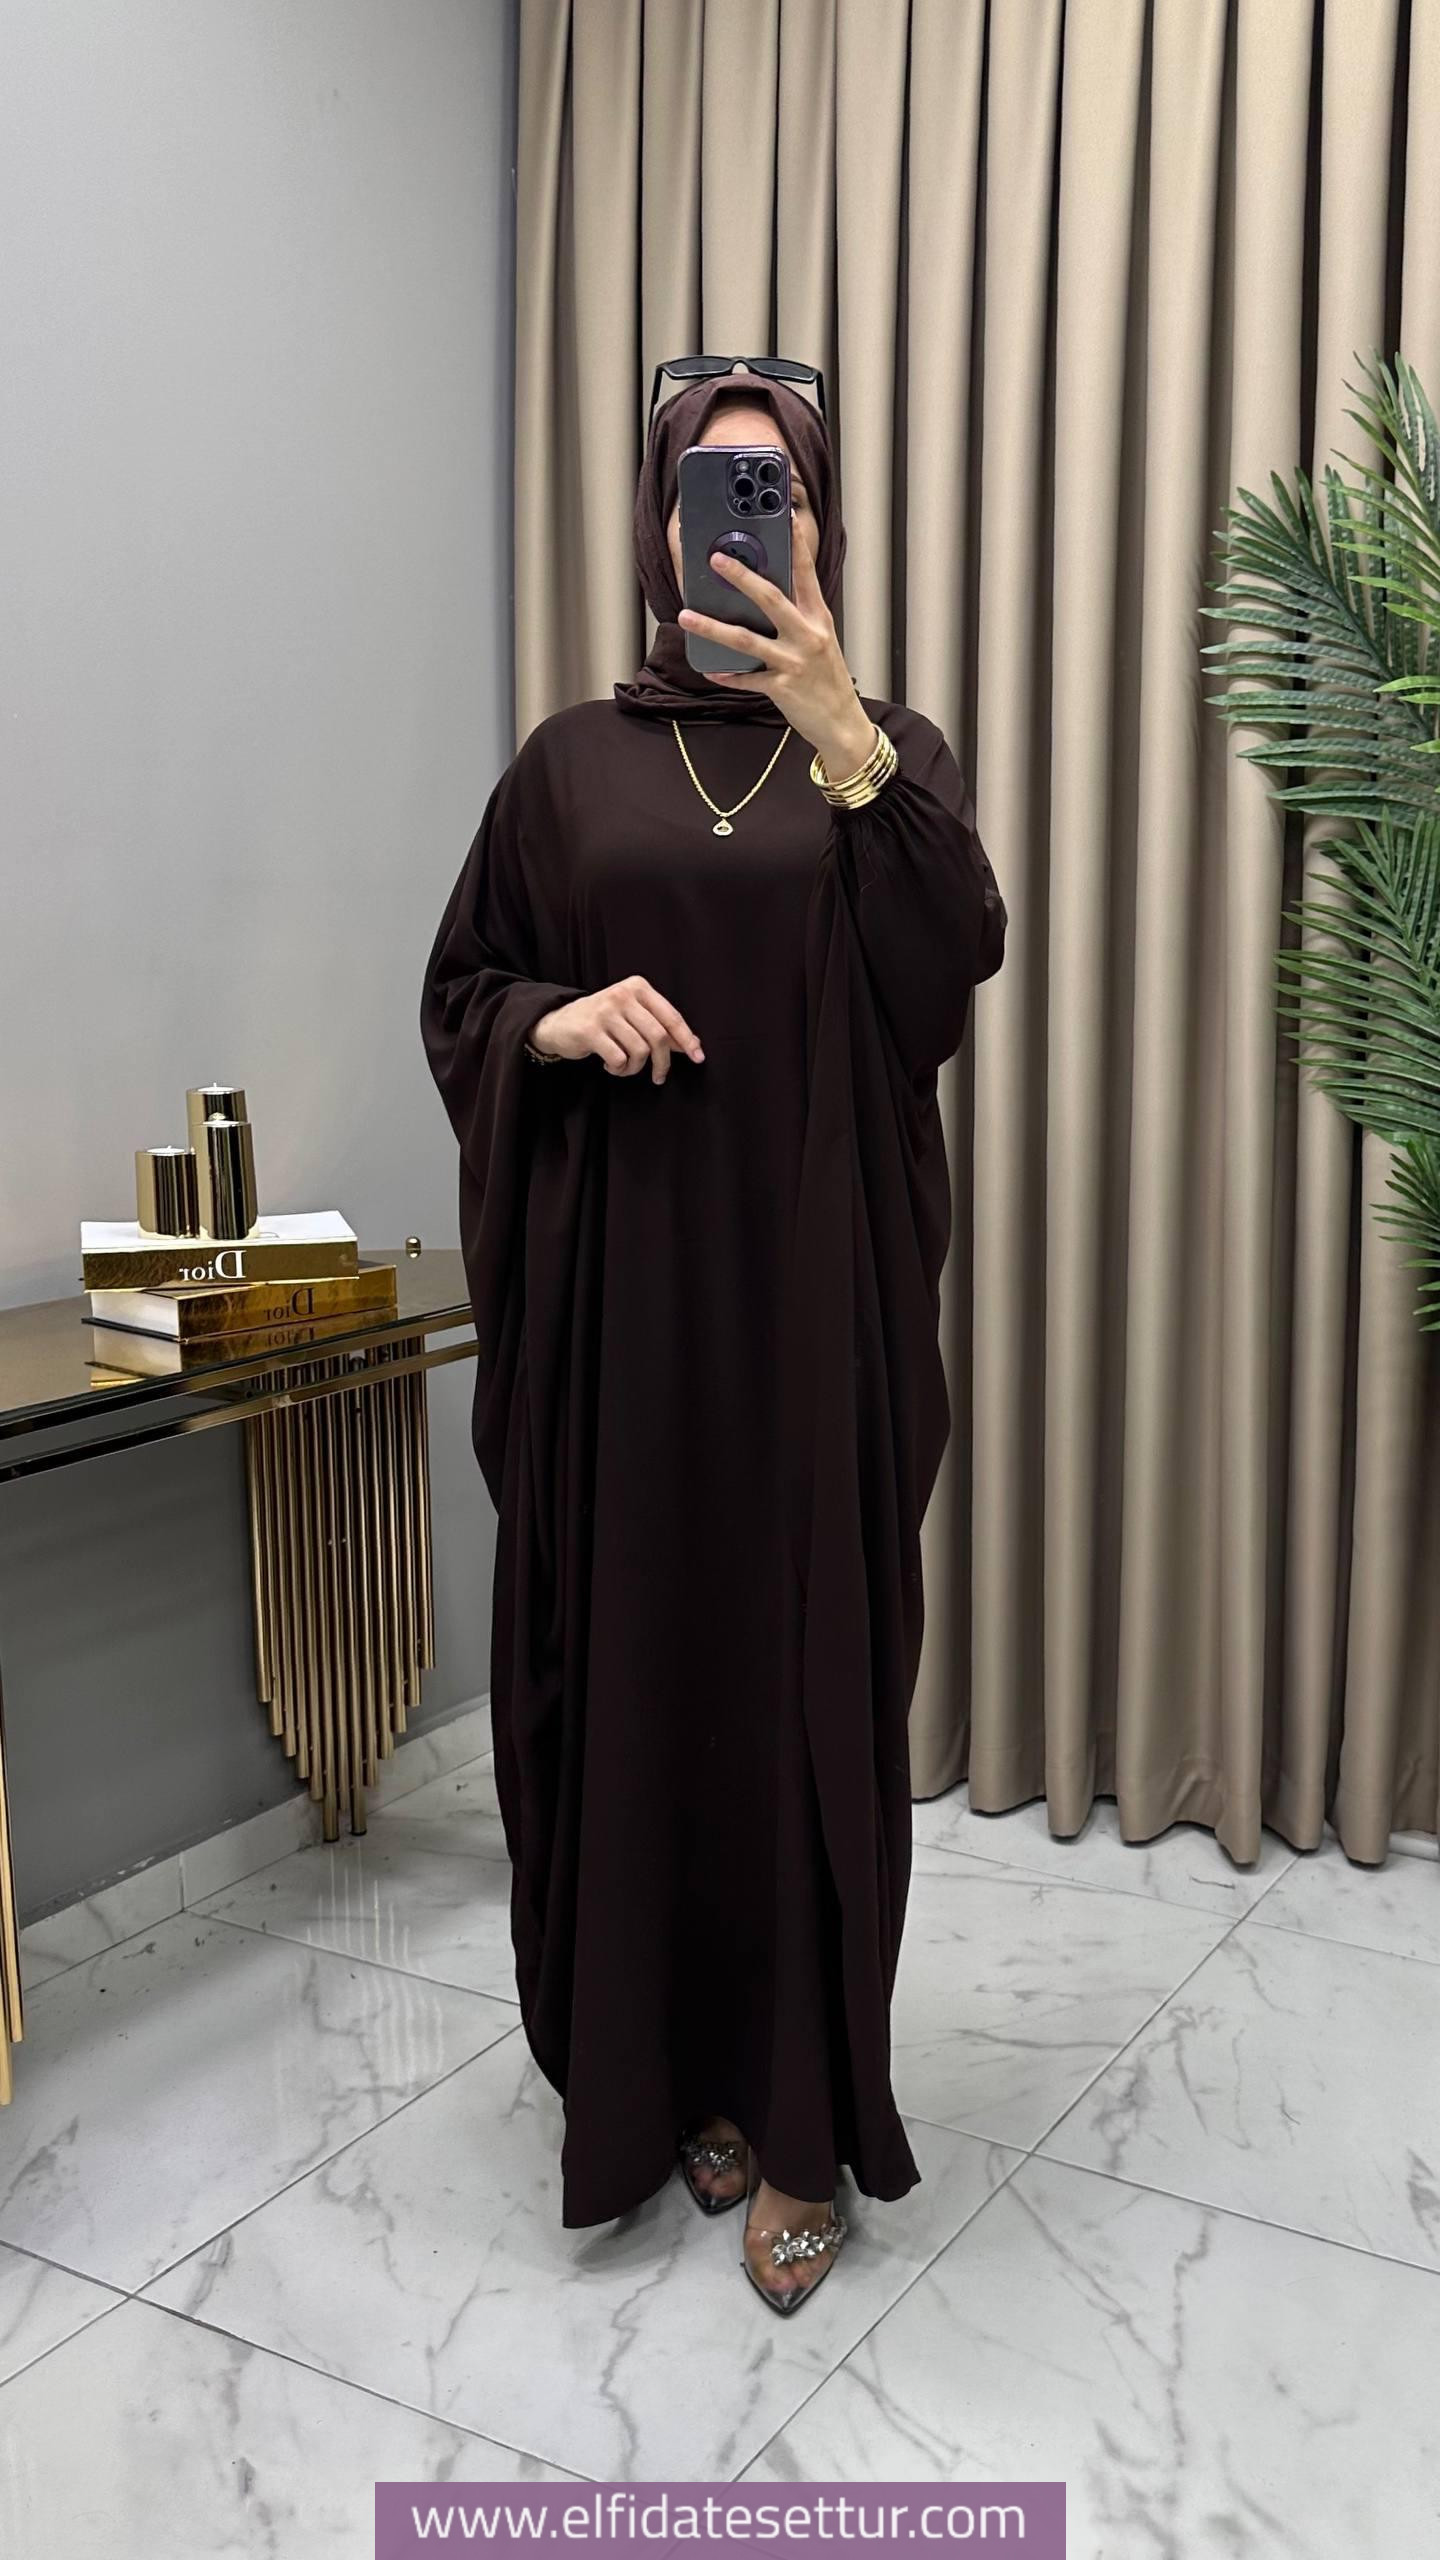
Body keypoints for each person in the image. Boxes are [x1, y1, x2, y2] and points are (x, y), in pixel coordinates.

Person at [419, 361, 1007, 2315]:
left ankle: (803, 2116)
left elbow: (951, 962)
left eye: (780, 485)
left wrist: (842, 726)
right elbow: (467, 985)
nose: (748, 513)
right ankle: (677, 2075)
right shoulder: (569, 765)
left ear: (822, 523)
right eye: (712, 483)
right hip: (628, 1326)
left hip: (817, 1317)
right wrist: (555, 1022)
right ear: (659, 522)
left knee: (808, 1699)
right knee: (650, 1682)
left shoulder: (885, 752)